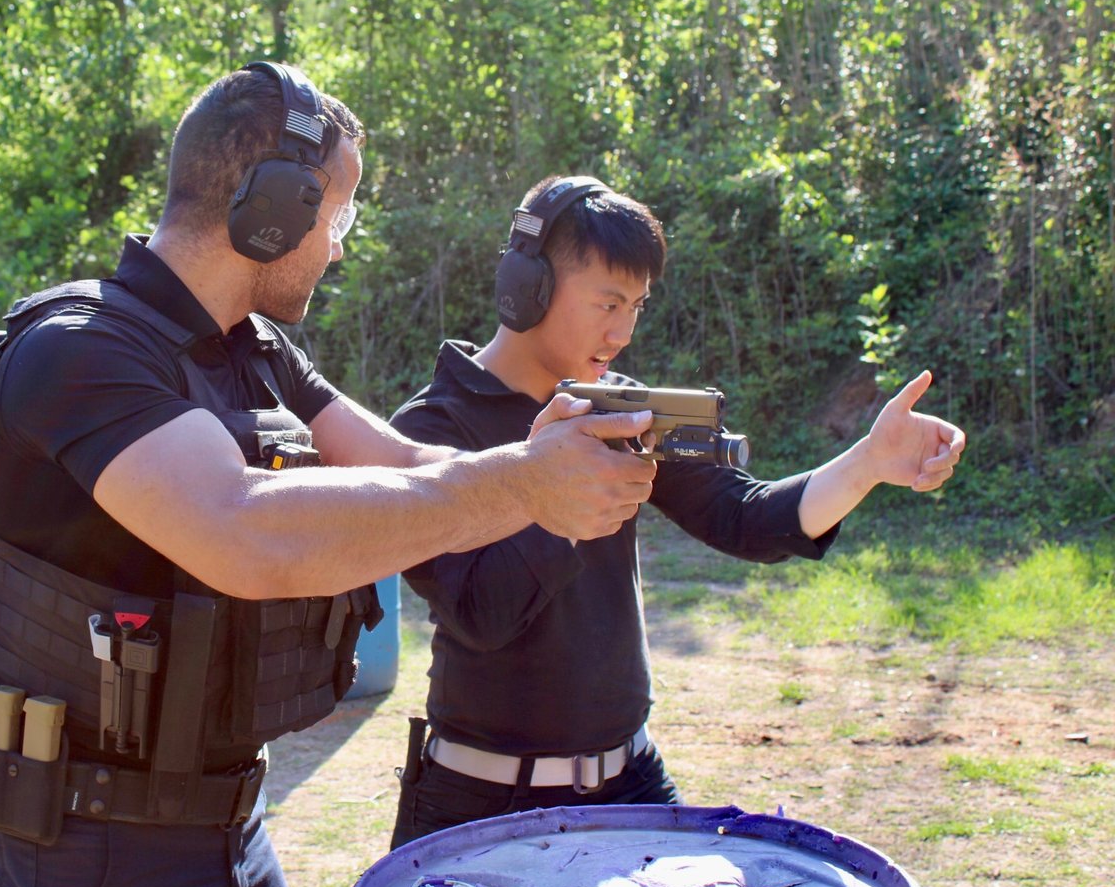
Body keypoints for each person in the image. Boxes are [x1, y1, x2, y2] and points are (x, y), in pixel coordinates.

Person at [0, 67, 663, 887]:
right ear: (271, 205)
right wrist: (524, 482)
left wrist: (552, 448)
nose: (340, 244)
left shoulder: (255, 349)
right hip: (92, 848)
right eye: (336, 214)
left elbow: (410, 462)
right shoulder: (82, 352)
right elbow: (244, 529)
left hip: (230, 824)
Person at [388, 174, 968, 848]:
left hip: (630, 781)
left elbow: (747, 518)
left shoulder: (623, 408)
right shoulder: (429, 429)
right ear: (529, 286)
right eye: (607, 301)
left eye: (636, 305)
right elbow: (484, 611)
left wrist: (868, 462)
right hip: (482, 801)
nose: (623, 330)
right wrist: (555, 490)